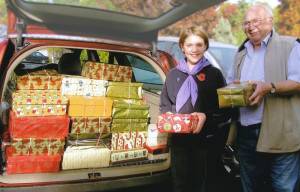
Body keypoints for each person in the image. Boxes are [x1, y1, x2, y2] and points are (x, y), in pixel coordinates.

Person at [228, 3, 300, 192]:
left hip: (281, 133)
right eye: (246, 23)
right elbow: (230, 83)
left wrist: (268, 87)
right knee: (251, 187)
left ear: (270, 21)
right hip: (246, 133)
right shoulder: (240, 53)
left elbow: (298, 82)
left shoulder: (290, 46)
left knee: (282, 188)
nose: (250, 26)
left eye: (256, 21)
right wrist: (236, 89)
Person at [160, 26, 231, 192]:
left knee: (204, 184)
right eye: (189, 45)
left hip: (206, 142)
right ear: (182, 47)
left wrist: (207, 116)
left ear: (205, 46)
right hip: (179, 142)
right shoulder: (172, 75)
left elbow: (226, 111)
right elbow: (164, 104)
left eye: (199, 44)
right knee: (180, 184)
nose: (194, 49)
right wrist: (168, 116)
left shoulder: (215, 75)